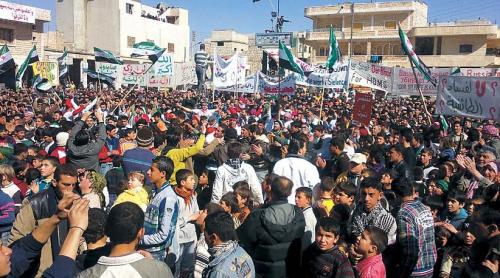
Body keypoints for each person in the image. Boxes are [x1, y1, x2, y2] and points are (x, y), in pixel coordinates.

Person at [8, 164, 79, 276]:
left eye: (73, 185)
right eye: (66, 184)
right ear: (55, 182)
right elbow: (17, 239)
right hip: (42, 270)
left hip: (70, 267)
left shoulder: (77, 202)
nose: (70, 189)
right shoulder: (35, 203)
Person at [77, 202, 174, 277]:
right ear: (141, 233)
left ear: (106, 230)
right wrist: (153, 266)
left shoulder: (86, 275)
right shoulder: (160, 270)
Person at [237, 176, 305, 277]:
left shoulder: (257, 216)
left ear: (270, 191)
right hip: (289, 271)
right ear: (290, 193)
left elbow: (242, 238)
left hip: (263, 272)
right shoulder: (298, 213)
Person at [393, 178, 437, 278]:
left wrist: (402, 273)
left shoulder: (404, 213)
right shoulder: (423, 207)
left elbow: (410, 250)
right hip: (429, 265)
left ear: (395, 195)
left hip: (415, 269)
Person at [141, 156, 179, 262]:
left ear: (163, 174)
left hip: (154, 253)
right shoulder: (156, 193)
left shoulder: (168, 198)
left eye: (152, 170)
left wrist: (139, 239)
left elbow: (163, 235)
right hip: (146, 249)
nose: (148, 172)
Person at [202, 211, 255, 278]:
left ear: (213, 237)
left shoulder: (218, 272)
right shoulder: (241, 251)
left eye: (204, 234)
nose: (204, 238)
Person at [349, 177, 397, 244]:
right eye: (363, 194)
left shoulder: (387, 220)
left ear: (380, 195)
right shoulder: (355, 212)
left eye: (371, 195)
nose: (366, 198)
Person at [273, 137, 321, 204]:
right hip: (302, 206)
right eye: (304, 148)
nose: (306, 149)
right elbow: (315, 189)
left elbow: (273, 185)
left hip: (283, 205)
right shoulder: (309, 166)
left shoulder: (279, 164)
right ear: (300, 150)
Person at [173, 169, 200, 277]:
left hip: (191, 238)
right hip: (180, 239)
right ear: (182, 182)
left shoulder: (192, 196)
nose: (194, 182)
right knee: (177, 269)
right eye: (191, 179)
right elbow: (174, 222)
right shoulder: (175, 198)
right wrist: (189, 218)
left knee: (189, 269)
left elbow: (196, 212)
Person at [295, 187, 317, 253]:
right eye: (295, 197)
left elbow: (306, 240)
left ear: (308, 200)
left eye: (299, 197)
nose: (296, 199)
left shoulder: (308, 216)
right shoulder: (303, 213)